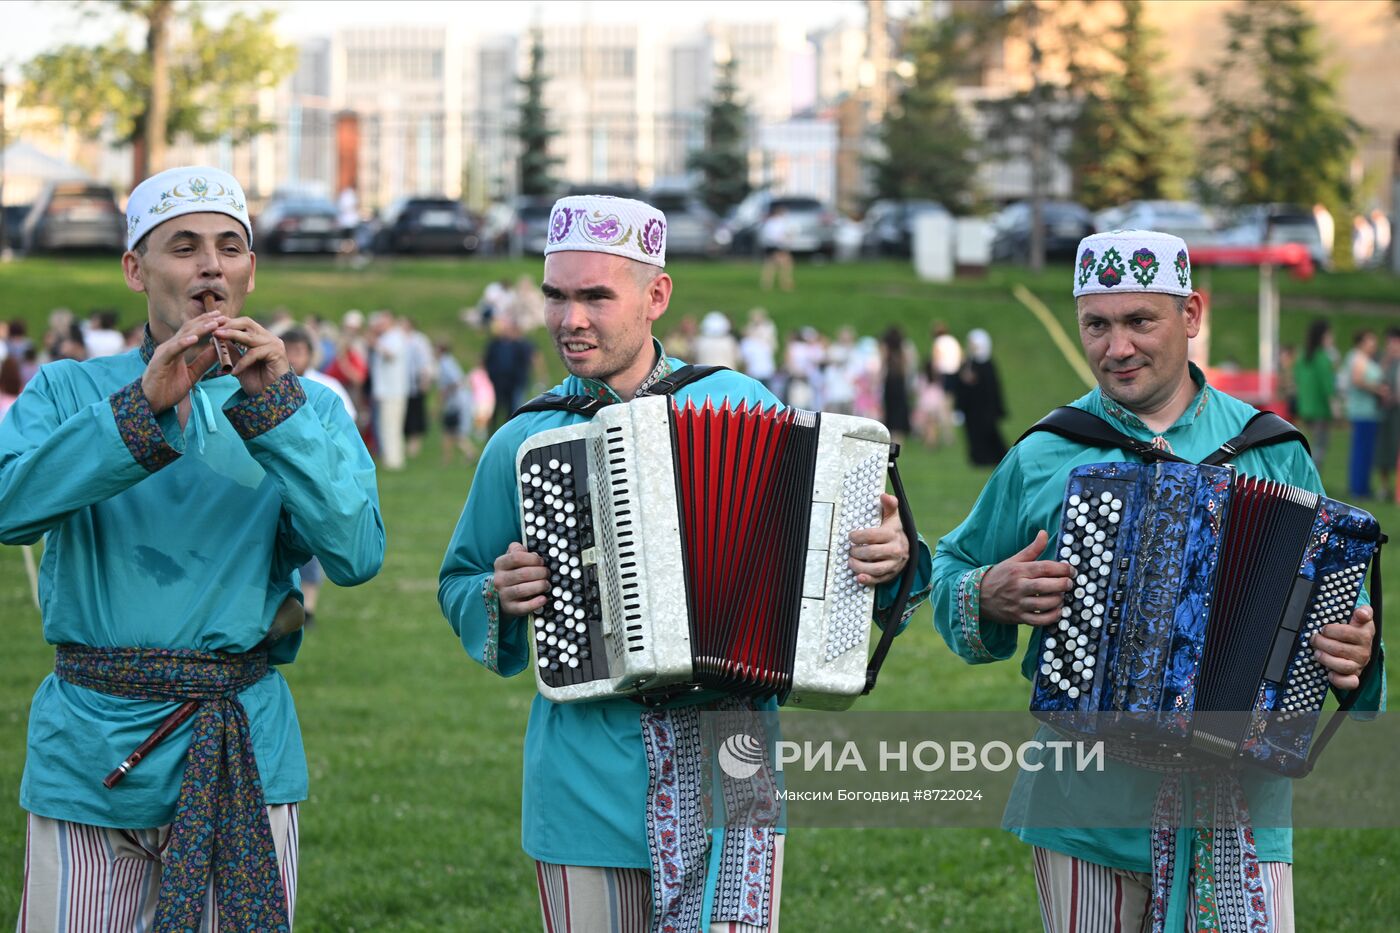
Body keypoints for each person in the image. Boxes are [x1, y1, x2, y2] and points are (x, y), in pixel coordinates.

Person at [439, 194, 928, 933]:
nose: (570, 320)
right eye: (556, 296)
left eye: (596, 296)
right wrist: (496, 591)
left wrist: (889, 558)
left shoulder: (745, 404)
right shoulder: (525, 439)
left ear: (657, 295)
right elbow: (459, 579)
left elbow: (834, 559)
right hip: (583, 770)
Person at [931, 230, 1380, 932]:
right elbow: (949, 566)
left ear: (1192, 314)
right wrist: (985, 590)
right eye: (1097, 325)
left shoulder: (1275, 451)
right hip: (1085, 803)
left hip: (1242, 805)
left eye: (1141, 320)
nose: (1118, 348)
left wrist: (1354, 655)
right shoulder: (1047, 452)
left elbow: (1344, 621)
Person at [0, 165, 385, 931]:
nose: (210, 264)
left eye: (229, 246)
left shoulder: (306, 402)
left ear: (249, 269)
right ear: (136, 269)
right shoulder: (72, 389)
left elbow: (355, 551)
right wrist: (141, 408)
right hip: (90, 752)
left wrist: (278, 412)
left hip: (239, 743)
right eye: (183, 246)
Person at [951, 328, 1008, 467]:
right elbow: (960, 387)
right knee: (973, 435)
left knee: (990, 433)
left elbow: (993, 389)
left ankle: (997, 458)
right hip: (972, 409)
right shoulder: (967, 364)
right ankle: (978, 459)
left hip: (986, 409)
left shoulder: (988, 365)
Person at [1342, 329, 1387, 499]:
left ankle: (1362, 486)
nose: (1374, 344)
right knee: (1362, 451)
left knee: (1366, 452)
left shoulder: (1366, 358)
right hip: (1363, 412)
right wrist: (1378, 390)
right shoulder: (1357, 357)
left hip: (1370, 412)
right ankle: (1359, 488)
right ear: (1361, 342)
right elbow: (1357, 379)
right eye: (1370, 340)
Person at [368, 310, 410, 470]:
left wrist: (375, 344)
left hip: (394, 390)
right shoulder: (387, 338)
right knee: (386, 426)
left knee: (391, 427)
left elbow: (390, 354)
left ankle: (394, 461)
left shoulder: (396, 337)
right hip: (386, 390)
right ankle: (390, 458)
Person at [1293, 318, 1336, 469]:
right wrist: (1336, 410)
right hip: (1320, 409)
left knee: (1307, 446)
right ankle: (1312, 479)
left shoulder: (1302, 357)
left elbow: (1297, 380)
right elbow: (1328, 388)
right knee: (1320, 447)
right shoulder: (1323, 358)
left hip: (1305, 408)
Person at [758, 205, 795, 292]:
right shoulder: (777, 222)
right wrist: (784, 240)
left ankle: (766, 285)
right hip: (776, 246)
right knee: (786, 265)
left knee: (770, 266)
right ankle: (785, 284)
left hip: (770, 246)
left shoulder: (770, 222)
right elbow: (778, 236)